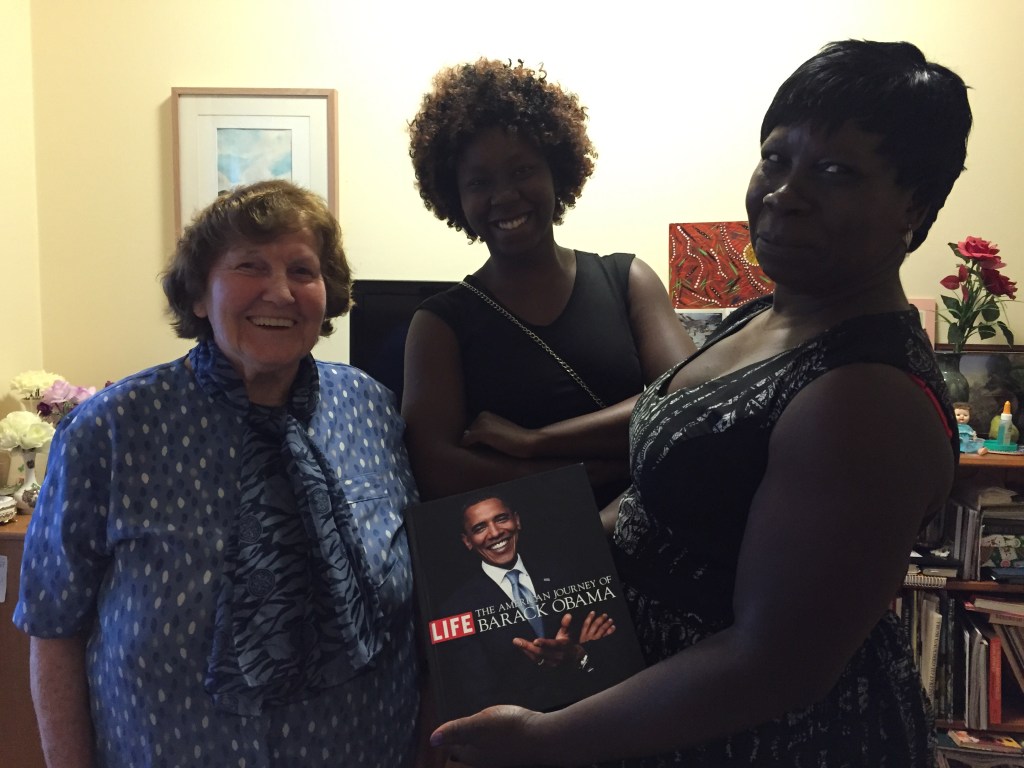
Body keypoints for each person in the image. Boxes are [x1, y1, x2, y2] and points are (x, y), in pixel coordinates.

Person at [430, 40, 969, 767]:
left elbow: (776, 664)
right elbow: (668, 480)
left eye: (836, 171)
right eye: (776, 158)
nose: (785, 192)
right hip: (655, 711)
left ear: (914, 205)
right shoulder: (770, 314)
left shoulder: (866, 399)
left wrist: (545, 740)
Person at [15, 180, 420, 767]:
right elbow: (53, 625)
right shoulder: (111, 429)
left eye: (302, 271)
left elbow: (422, 583)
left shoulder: (372, 409)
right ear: (199, 295)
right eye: (250, 265)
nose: (280, 292)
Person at [403, 58, 694, 509]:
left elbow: (686, 400)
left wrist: (535, 441)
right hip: (530, 545)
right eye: (479, 182)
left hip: (652, 535)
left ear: (556, 171)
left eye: (522, 171)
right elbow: (436, 471)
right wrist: (582, 476)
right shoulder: (439, 324)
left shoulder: (628, 280)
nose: (504, 196)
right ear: (455, 196)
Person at [435, 495, 621, 718]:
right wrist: (561, 664)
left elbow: (616, 649)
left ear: (517, 521)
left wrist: (580, 655)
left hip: (602, 706)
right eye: (480, 528)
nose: (495, 533)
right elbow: (482, 703)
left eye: (501, 519)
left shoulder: (562, 572)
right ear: (467, 541)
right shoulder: (455, 611)